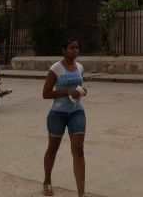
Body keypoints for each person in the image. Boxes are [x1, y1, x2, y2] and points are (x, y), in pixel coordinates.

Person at [42, 38, 87, 197]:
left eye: (77, 48)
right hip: (58, 114)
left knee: (79, 150)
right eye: (71, 48)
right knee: (52, 149)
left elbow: (79, 85)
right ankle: (47, 181)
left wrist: (82, 90)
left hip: (77, 112)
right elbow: (46, 94)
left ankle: (81, 193)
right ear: (64, 50)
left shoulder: (80, 67)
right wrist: (67, 92)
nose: (75, 51)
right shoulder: (56, 69)